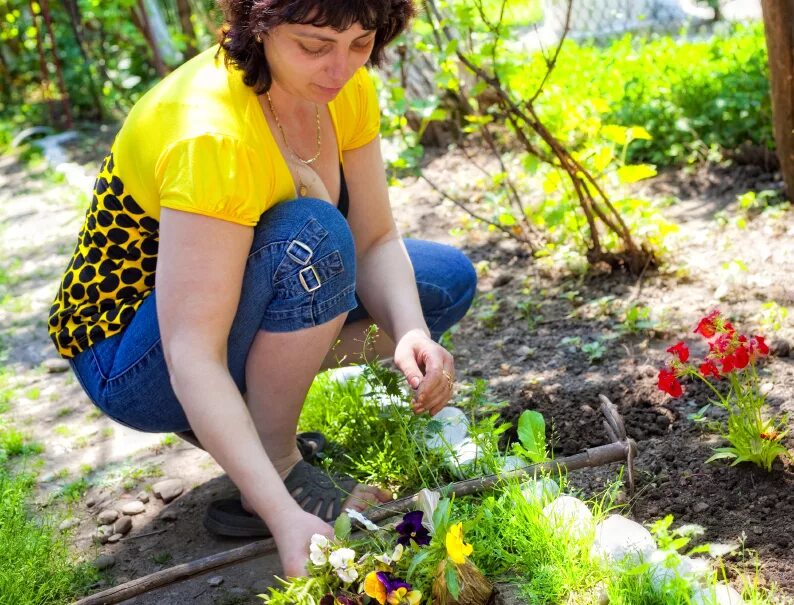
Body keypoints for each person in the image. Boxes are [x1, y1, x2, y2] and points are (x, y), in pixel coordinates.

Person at [47, 0, 476, 577]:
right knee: (313, 239)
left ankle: (241, 417)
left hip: (221, 312)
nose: (340, 67)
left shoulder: (343, 88)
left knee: (442, 285)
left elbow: (376, 239)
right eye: (314, 45)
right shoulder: (212, 132)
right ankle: (273, 465)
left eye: (360, 42)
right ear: (260, 24)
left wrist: (411, 332)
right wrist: (280, 514)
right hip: (130, 359)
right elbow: (190, 352)